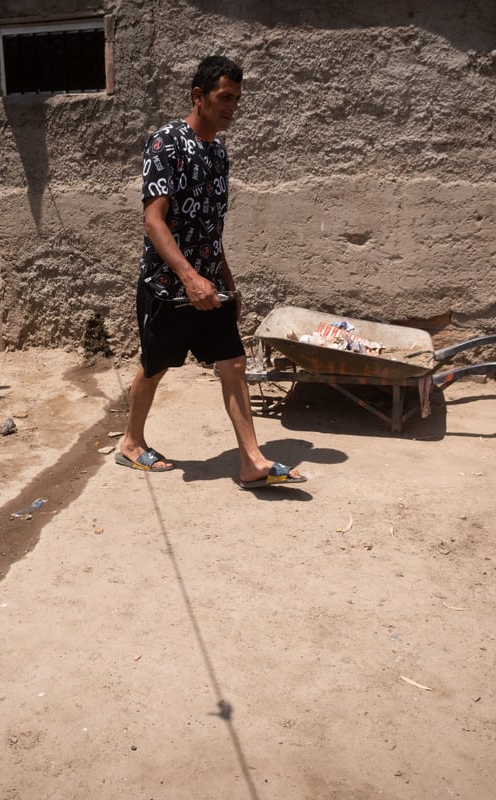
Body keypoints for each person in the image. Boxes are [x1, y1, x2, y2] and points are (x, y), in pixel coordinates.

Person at [115, 55, 306, 489]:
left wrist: (227, 284)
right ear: (198, 97)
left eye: (237, 99)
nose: (232, 107)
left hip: (210, 285)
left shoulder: (218, 154)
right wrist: (189, 278)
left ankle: (251, 460)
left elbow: (209, 227)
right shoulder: (166, 142)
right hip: (167, 286)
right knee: (155, 365)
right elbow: (154, 221)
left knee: (234, 363)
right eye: (224, 98)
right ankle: (130, 441)